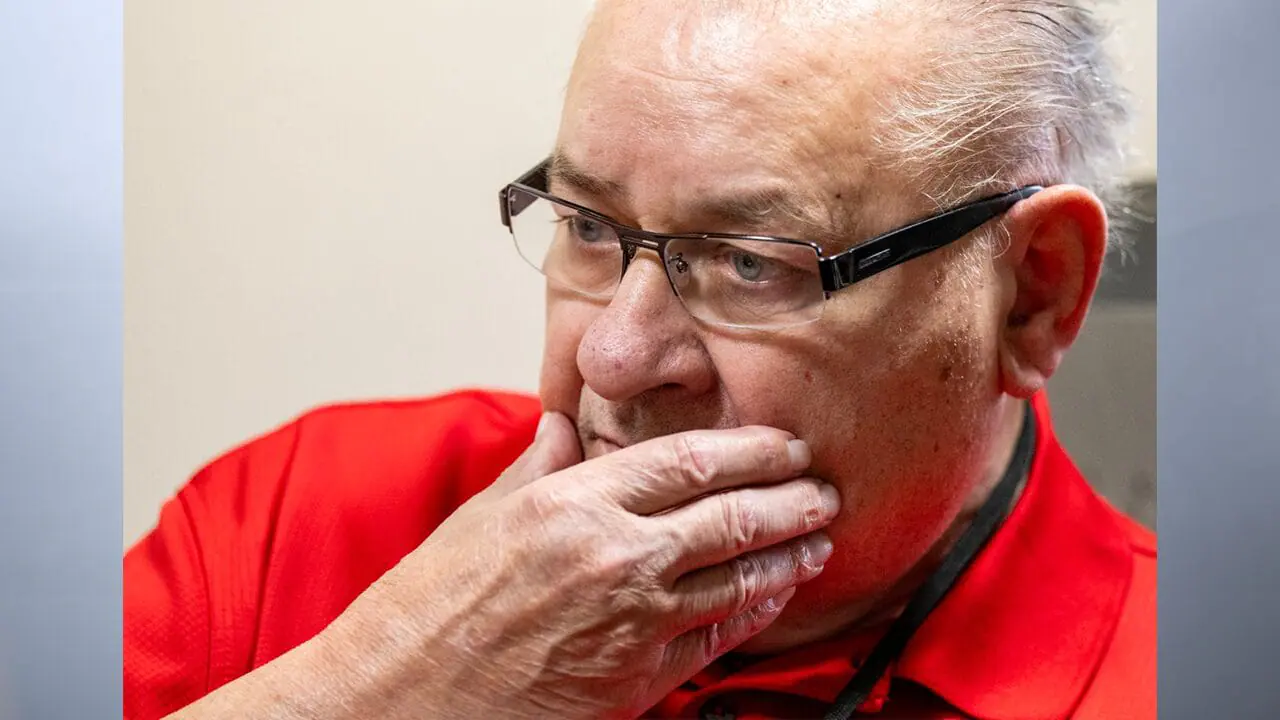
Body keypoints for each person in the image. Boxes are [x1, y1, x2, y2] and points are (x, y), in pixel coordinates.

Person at [124, 0, 1155, 718]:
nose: (613, 357)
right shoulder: (286, 522)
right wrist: (381, 688)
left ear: (1031, 293)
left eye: (751, 263)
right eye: (584, 225)